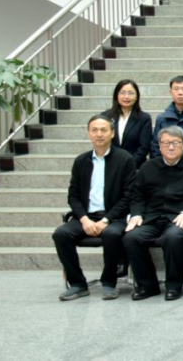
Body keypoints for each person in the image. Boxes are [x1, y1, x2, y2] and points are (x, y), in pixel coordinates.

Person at [53, 115, 136, 301]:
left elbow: (128, 196)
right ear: (89, 133)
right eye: (94, 130)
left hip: (115, 218)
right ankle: (77, 284)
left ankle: (109, 282)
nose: (99, 134)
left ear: (112, 133)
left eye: (104, 130)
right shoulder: (81, 161)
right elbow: (73, 196)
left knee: (112, 234)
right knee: (61, 234)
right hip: (87, 217)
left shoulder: (125, 159)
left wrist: (106, 220)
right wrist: (84, 219)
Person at [123, 126, 183, 301]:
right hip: (151, 217)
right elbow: (137, 196)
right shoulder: (147, 167)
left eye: (175, 143)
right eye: (166, 143)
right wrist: (137, 214)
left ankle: (174, 286)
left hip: (178, 218)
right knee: (131, 237)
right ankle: (148, 286)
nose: (171, 147)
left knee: (173, 238)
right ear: (159, 146)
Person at [104, 79, 152, 168]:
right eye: (122, 93)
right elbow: (102, 142)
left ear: (137, 97)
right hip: (109, 166)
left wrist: (129, 165)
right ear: (116, 95)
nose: (126, 97)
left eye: (131, 93)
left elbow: (144, 147)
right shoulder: (105, 116)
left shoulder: (144, 118)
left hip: (134, 167)